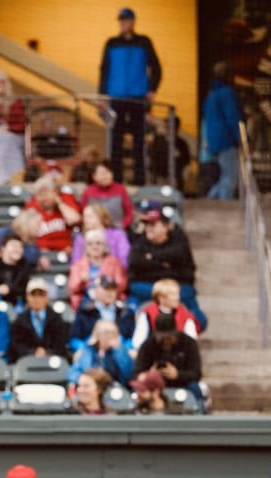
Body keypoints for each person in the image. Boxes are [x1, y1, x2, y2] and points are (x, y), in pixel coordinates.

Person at [98, 8, 161, 185]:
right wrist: (102, 96)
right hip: (116, 98)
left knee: (138, 140)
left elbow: (156, 68)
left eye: (126, 20)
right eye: (121, 20)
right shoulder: (111, 43)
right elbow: (104, 70)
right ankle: (116, 181)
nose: (123, 23)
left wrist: (152, 89)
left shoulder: (144, 42)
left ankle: (139, 180)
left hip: (137, 98)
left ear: (133, 21)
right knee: (116, 141)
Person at [132, 313, 202, 402]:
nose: (165, 341)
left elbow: (196, 373)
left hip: (182, 383)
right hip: (153, 386)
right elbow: (136, 373)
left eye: (169, 337)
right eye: (162, 338)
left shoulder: (189, 343)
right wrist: (150, 375)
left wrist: (178, 375)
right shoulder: (147, 346)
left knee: (194, 388)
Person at [202, 62, 243, 200]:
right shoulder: (226, 93)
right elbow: (232, 117)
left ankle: (208, 202)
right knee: (230, 177)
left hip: (214, 142)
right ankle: (224, 207)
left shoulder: (210, 96)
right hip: (226, 141)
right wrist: (240, 139)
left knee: (224, 176)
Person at [8, 278, 70, 360]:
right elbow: (16, 344)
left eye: (41, 294)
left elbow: (60, 343)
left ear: (46, 297)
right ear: (27, 297)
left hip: (52, 361)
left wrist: (47, 352)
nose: (37, 299)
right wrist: (32, 352)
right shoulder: (19, 321)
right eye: (33, 295)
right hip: (27, 362)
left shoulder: (56, 319)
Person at [67, 229, 128, 308]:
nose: (94, 246)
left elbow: (122, 284)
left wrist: (106, 288)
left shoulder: (114, 263)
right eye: (90, 244)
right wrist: (81, 281)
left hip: (110, 299)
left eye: (98, 243)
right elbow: (72, 288)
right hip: (86, 299)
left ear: (105, 246)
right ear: (85, 247)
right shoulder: (78, 265)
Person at [69, 320, 133, 387]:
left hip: (113, 388)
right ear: (98, 335)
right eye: (106, 333)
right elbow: (73, 373)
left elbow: (128, 374)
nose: (110, 336)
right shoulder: (88, 350)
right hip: (91, 386)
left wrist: (119, 351)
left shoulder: (121, 351)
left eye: (113, 333)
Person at [26, 177, 81, 253]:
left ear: (55, 192)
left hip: (67, 251)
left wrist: (59, 203)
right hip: (41, 252)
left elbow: (74, 220)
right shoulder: (32, 205)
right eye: (39, 195)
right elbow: (26, 233)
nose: (43, 198)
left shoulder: (65, 199)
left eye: (46, 194)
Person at [0, 232, 34, 303]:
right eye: (14, 246)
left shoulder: (24, 267)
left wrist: (10, 289)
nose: (17, 249)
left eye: (20, 246)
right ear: (3, 248)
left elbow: (26, 288)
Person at [79, 163, 133, 228]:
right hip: (95, 229)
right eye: (103, 173)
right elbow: (82, 213)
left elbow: (129, 213)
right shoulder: (88, 191)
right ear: (94, 176)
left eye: (109, 172)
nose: (107, 176)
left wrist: (122, 226)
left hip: (118, 228)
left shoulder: (120, 189)